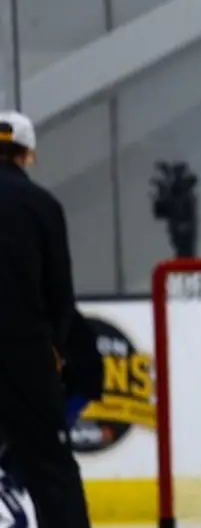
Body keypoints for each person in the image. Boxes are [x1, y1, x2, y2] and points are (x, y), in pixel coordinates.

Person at [0, 110, 93, 528]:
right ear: (27, 155)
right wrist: (55, 348)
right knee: (50, 464)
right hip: (25, 354)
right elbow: (60, 292)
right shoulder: (42, 206)